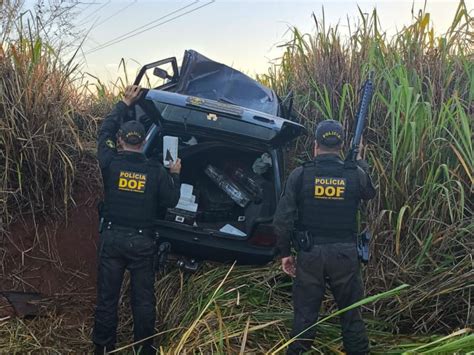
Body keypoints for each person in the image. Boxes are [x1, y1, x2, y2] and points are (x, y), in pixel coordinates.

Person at [273, 119, 376, 355]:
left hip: (311, 255)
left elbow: (282, 220)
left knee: (305, 318)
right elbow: (369, 192)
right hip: (345, 255)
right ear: (341, 146)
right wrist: (359, 159)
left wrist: (286, 254)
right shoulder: (356, 173)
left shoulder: (301, 175)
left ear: (315, 145)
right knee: (351, 317)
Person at [93, 85, 181, 354]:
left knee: (107, 299)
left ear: (120, 141)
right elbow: (171, 201)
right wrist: (175, 173)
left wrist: (122, 103)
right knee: (143, 301)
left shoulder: (110, 161)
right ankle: (143, 348)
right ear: (142, 143)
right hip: (142, 243)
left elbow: (103, 131)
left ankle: (103, 348)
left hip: (112, 239)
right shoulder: (154, 170)